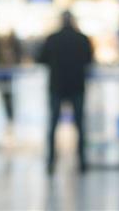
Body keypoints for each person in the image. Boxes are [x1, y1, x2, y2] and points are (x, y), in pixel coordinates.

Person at [38, 10, 93, 174]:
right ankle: (82, 161)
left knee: (53, 125)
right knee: (80, 126)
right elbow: (89, 59)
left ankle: (50, 162)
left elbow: (41, 58)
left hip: (57, 86)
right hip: (77, 86)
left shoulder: (52, 39)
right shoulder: (82, 39)